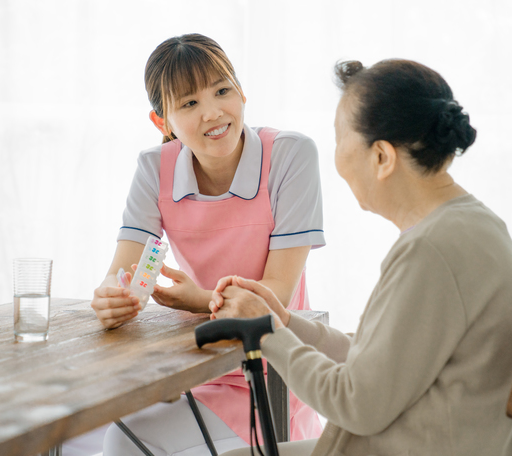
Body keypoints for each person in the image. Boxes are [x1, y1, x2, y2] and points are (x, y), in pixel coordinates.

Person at [211, 59, 512, 456]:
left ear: (382, 157)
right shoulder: (472, 225)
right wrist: (285, 322)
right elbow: (382, 362)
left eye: (340, 138)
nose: (336, 159)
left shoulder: (432, 250)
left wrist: (266, 333)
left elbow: (354, 403)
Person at [88, 34, 325, 455]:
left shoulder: (290, 155)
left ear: (242, 92)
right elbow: (120, 273)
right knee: (83, 433)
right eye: (189, 103)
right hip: (193, 369)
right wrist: (111, 297)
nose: (213, 112)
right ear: (162, 122)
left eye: (222, 91)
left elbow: (276, 297)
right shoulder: (154, 168)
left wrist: (198, 299)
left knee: (124, 441)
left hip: (270, 371)